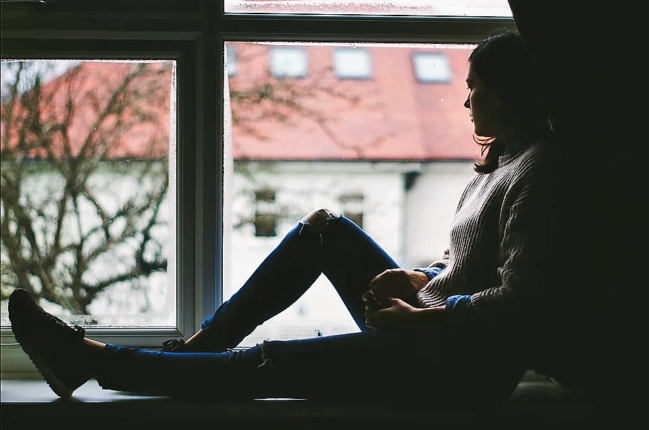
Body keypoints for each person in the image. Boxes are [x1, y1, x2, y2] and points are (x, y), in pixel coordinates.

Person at [8, 30, 559, 409]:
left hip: (459, 372)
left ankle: (89, 360)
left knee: (269, 363)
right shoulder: (501, 164)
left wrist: (420, 318)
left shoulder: (540, 172)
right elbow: (470, 261)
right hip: (433, 333)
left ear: (506, 95)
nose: (466, 104)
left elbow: (523, 304)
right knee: (322, 228)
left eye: (475, 90)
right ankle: (192, 355)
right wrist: (420, 279)